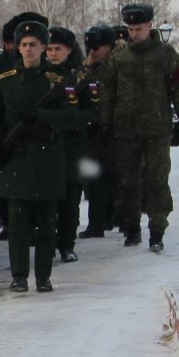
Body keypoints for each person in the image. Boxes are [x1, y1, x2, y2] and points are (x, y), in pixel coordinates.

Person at [0, 20, 78, 292]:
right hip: (16, 160)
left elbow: (71, 118)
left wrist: (42, 117)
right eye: (23, 45)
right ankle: (19, 275)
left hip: (48, 160)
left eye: (33, 45)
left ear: (44, 47)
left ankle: (44, 276)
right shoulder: (6, 81)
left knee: (48, 225)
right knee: (18, 225)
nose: (28, 49)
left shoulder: (57, 82)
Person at [93, 3, 179, 252]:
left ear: (150, 26)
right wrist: (105, 122)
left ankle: (157, 229)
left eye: (138, 28)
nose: (134, 33)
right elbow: (108, 93)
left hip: (157, 130)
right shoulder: (119, 58)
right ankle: (132, 228)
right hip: (126, 131)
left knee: (157, 181)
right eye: (130, 28)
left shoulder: (166, 55)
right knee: (127, 182)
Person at [42, 26, 99, 264]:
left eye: (58, 49)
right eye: (50, 49)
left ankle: (66, 243)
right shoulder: (38, 75)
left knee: (69, 199)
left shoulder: (82, 77)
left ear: (69, 49)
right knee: (46, 200)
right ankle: (45, 241)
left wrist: (70, 120)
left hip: (72, 144)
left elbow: (94, 111)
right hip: (44, 144)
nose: (53, 54)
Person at [78, 25, 118, 237]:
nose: (93, 50)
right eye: (90, 46)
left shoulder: (116, 67)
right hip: (92, 131)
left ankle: (112, 219)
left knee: (112, 179)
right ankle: (97, 222)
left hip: (113, 130)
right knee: (94, 180)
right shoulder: (86, 69)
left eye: (98, 46)